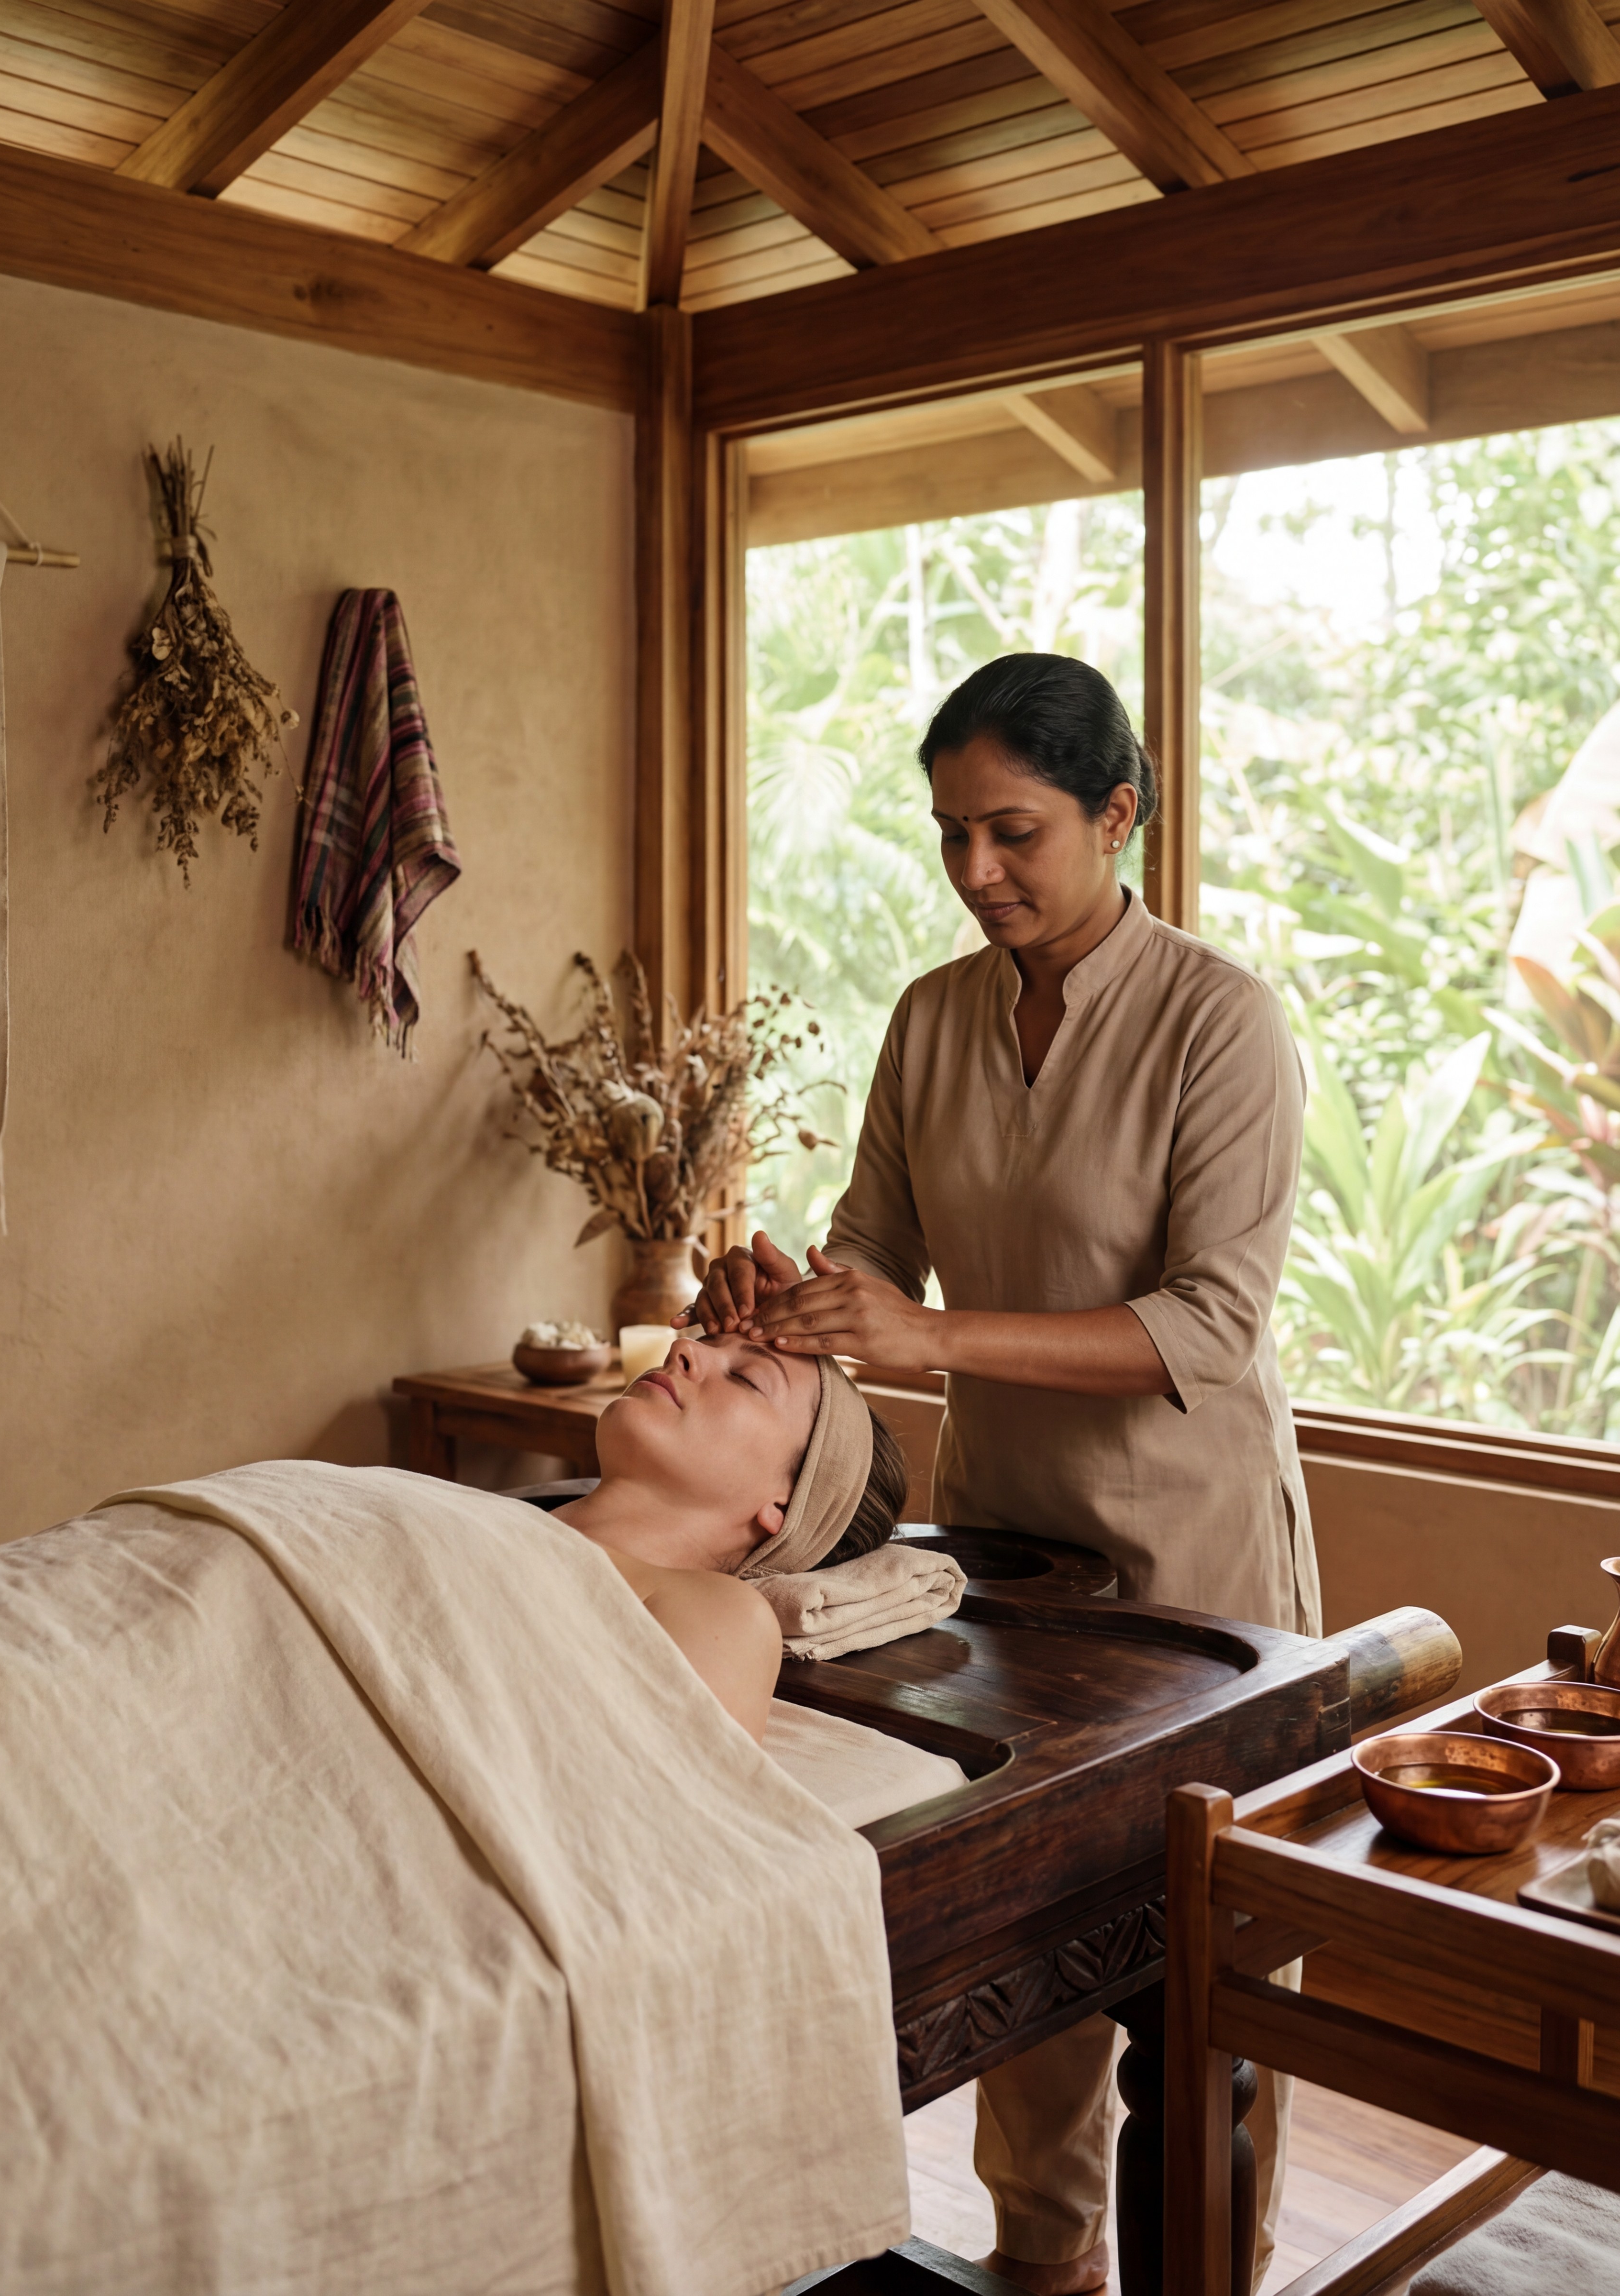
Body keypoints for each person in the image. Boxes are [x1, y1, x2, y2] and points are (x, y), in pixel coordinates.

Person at [683, 653, 1320, 2294]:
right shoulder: (933, 1016)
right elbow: (873, 1255)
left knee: (1199, 1995)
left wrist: (929, 1335)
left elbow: (1209, 1329)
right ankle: (1045, 2272)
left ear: (1116, 812)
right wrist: (786, 1298)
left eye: (1014, 833)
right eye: (953, 835)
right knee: (1030, 1958)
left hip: (1198, 1566)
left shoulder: (1219, 1022)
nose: (977, 875)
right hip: (1006, 1563)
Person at [555, 1330, 910, 1740]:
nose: (681, 1349)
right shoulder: (493, 1514)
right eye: (704, 1338)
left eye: (746, 1377)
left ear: (785, 1507)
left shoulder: (725, 1616)